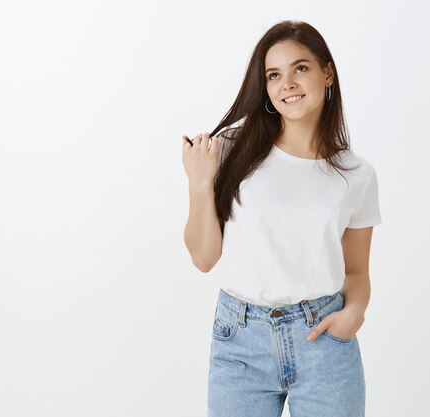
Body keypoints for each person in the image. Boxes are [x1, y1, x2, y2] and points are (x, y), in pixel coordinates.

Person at [182, 20, 382, 417]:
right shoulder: (232, 150)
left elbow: (357, 272)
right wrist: (200, 186)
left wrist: (353, 314)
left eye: (300, 68)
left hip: (322, 341)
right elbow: (204, 258)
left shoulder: (356, 174)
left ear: (327, 73)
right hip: (240, 343)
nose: (287, 83)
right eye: (274, 75)